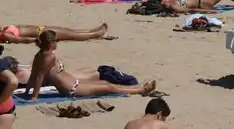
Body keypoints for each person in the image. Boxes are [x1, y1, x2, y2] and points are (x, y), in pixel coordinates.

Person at [26, 31, 156, 100]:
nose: (58, 42)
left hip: (75, 84)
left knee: (105, 83)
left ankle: (137, 88)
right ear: (51, 43)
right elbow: (39, 77)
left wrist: (27, 91)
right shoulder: (49, 57)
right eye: (56, 40)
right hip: (72, 89)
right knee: (108, 87)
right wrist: (34, 96)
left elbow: (34, 74)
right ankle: (141, 90)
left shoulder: (40, 55)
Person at [0, 22, 107, 44]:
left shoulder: (3, 30)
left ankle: (92, 31)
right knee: (71, 35)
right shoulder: (4, 35)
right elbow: (21, 40)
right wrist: (36, 40)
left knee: (69, 31)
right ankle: (96, 35)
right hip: (42, 33)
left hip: (41, 29)